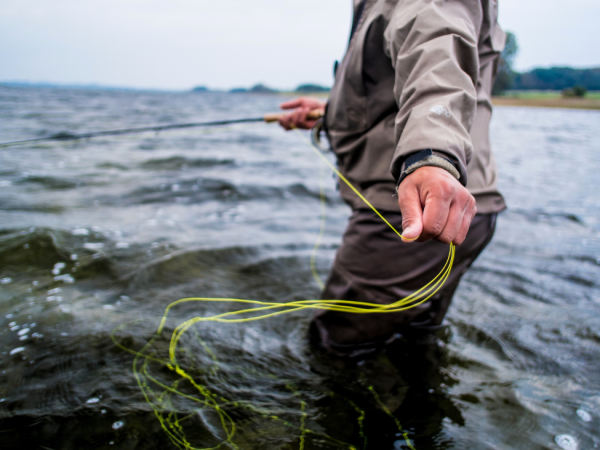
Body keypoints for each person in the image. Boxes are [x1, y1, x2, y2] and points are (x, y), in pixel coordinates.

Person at [278, 0, 506, 357]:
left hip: (414, 209)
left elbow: (437, 52)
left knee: (335, 349)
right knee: (415, 344)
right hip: (463, 207)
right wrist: (331, 113)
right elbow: (396, 81)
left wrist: (431, 154)